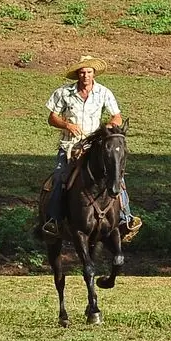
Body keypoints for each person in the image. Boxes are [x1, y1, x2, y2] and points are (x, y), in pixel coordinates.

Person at [42, 57, 141, 238]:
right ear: (77, 75)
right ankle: (53, 220)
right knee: (59, 177)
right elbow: (52, 117)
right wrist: (67, 125)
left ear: (93, 73)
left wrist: (111, 125)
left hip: (95, 148)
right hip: (71, 146)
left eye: (88, 72)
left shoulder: (104, 92)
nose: (85, 75)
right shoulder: (63, 92)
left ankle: (125, 217)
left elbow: (117, 116)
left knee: (116, 174)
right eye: (82, 72)